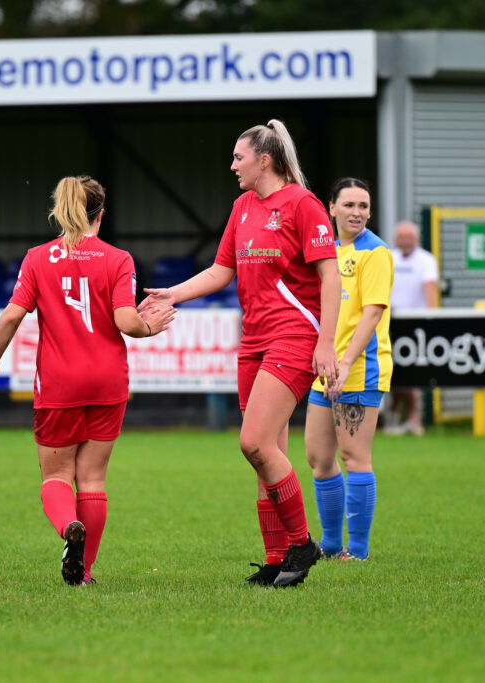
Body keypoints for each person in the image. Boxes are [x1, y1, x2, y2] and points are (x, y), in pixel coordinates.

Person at [141, 119, 342, 588]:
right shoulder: (242, 206)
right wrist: (173, 293)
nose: (232, 165)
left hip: (293, 336)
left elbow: (330, 277)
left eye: (239, 157)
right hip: (252, 341)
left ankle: (302, 544)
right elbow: (219, 271)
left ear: (264, 160)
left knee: (252, 442)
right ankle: (278, 560)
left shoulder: (302, 203)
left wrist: (327, 342)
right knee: (265, 455)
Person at [0, 176, 174, 586]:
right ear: (101, 215)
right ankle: (84, 573)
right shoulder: (119, 258)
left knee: (55, 477)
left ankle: (69, 528)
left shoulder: (36, 258)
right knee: (93, 480)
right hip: (107, 382)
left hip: (58, 384)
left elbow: (13, 315)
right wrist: (150, 328)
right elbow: (126, 321)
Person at [304, 178, 393, 562]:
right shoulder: (327, 252)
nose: (357, 212)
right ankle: (330, 544)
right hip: (325, 368)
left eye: (364, 206)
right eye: (350, 205)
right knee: (318, 458)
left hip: (358, 369)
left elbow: (372, 313)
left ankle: (356, 550)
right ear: (332, 208)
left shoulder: (375, 253)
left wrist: (344, 362)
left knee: (354, 456)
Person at [384, 220, 438, 436]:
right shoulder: (388, 256)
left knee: (413, 372)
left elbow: (430, 288)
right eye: (401, 237)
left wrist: (432, 319)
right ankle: (396, 415)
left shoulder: (426, 260)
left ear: (417, 239)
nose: (405, 241)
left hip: (416, 324)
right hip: (388, 321)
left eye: (409, 237)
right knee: (393, 370)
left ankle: (414, 418)